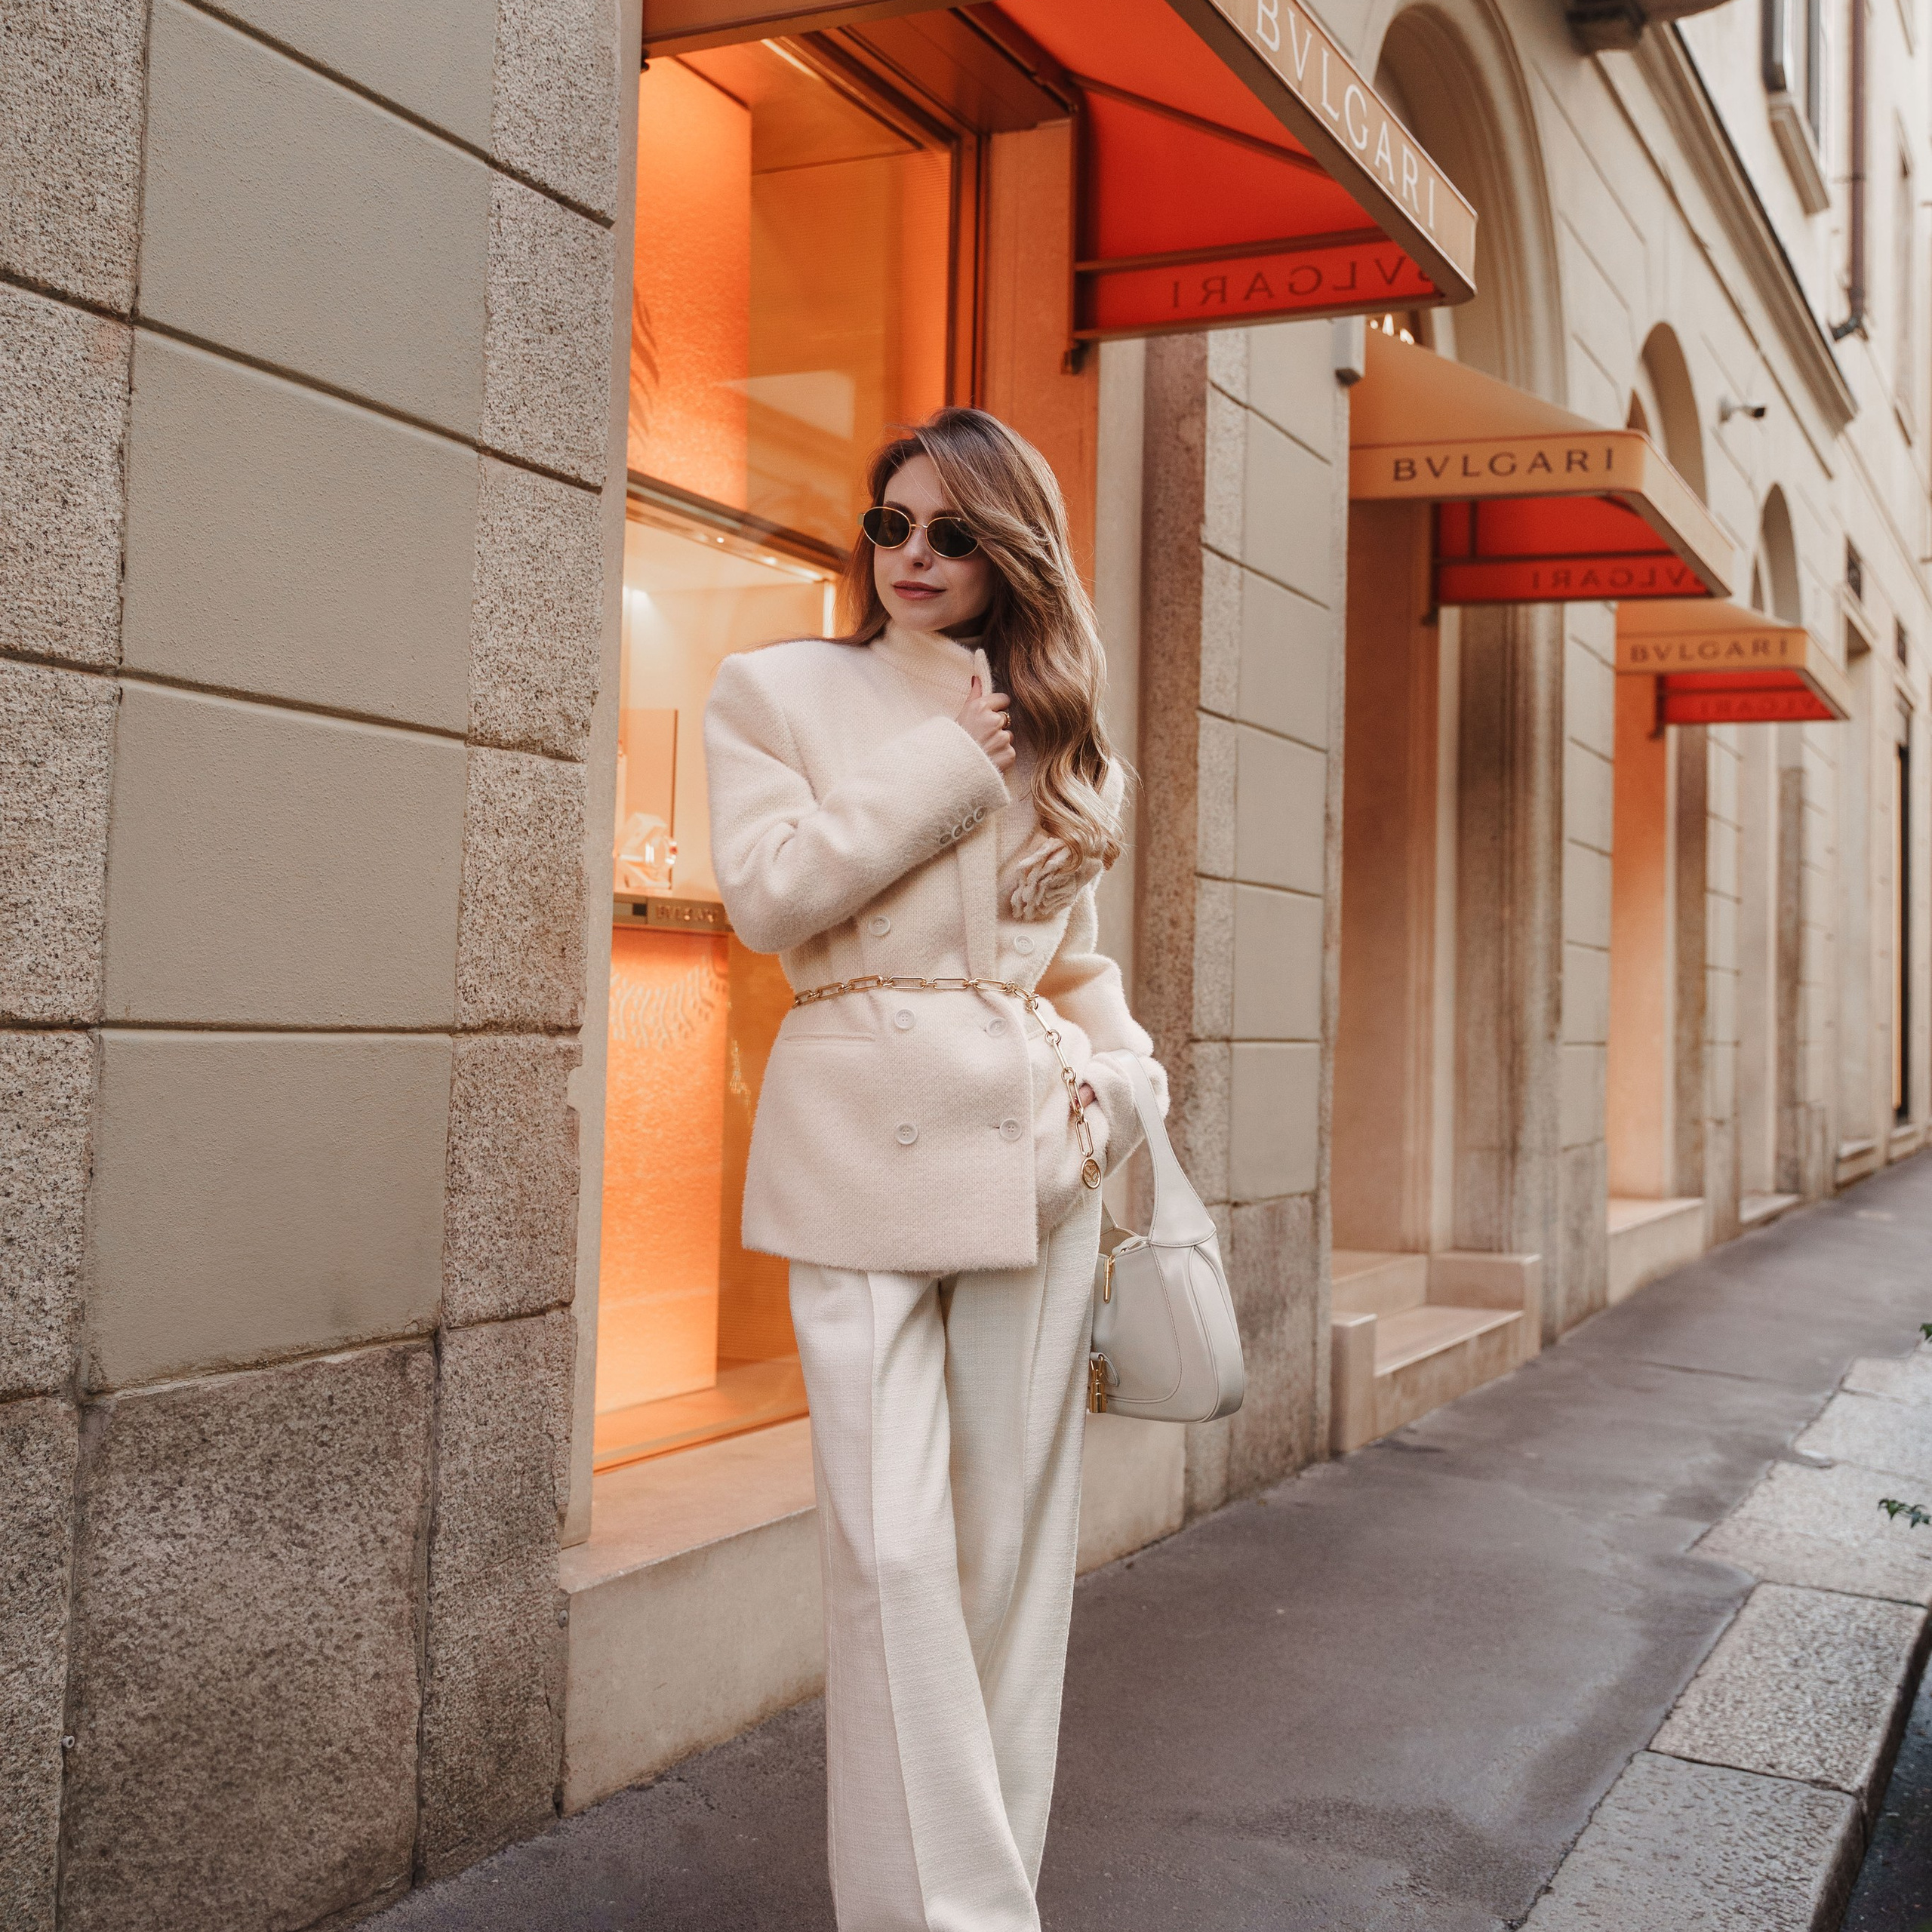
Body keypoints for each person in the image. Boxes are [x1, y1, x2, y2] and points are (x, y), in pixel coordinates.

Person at [704, 405, 1167, 1932]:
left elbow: (1076, 964)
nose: (909, 553)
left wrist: (1128, 1081)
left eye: (950, 532)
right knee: (889, 1547)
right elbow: (768, 900)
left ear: (1008, 548)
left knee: (1008, 1574)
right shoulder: (778, 688)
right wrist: (931, 768)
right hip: (860, 1148)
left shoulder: (1061, 721)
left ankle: (973, 1897)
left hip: (1037, 1151)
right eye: (889, 523)